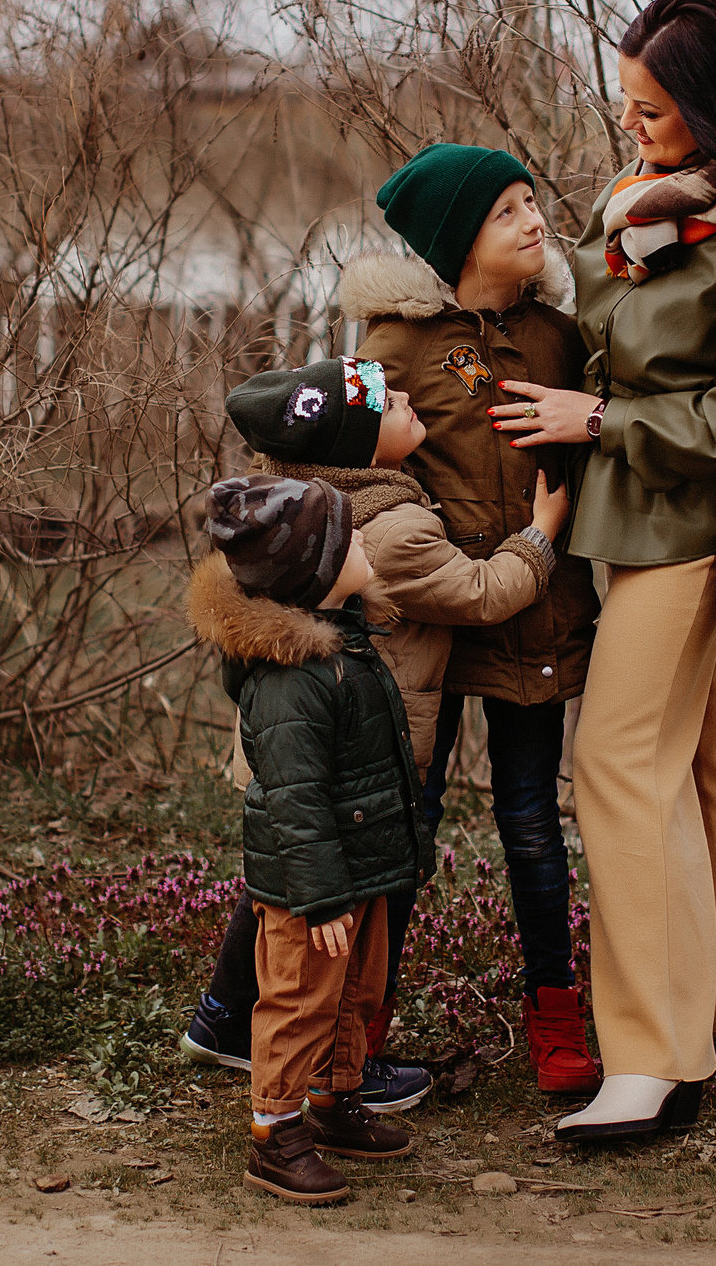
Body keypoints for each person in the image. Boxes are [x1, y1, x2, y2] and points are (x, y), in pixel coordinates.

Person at [492, 0, 716, 1142]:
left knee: (617, 757)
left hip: (705, 523)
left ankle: (654, 1059)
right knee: (706, 762)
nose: (628, 123)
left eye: (648, 107)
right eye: (625, 102)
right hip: (630, 516)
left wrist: (596, 424)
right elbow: (610, 336)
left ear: (709, 107)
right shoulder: (650, 209)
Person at [181, 348, 575, 1102]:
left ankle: (222, 1019)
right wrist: (542, 532)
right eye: (391, 405)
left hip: (290, 740)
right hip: (353, 748)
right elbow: (485, 591)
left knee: (280, 878)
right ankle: (334, 1065)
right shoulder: (388, 530)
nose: (409, 403)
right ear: (360, 451)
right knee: (345, 905)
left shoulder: (304, 505)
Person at [344, 142, 605, 1094]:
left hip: (536, 615)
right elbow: (355, 468)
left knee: (533, 821)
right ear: (460, 242)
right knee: (407, 825)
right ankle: (357, 1031)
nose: (535, 221)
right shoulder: (395, 347)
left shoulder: (560, 338)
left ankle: (556, 1017)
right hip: (428, 628)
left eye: (532, 202)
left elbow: (603, 438)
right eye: (507, 212)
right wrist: (410, 551)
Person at [194, 473, 429, 1204]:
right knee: (298, 1001)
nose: (366, 539)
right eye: (351, 537)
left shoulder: (348, 641)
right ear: (318, 575)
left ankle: (333, 1099)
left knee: (354, 992)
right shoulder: (292, 679)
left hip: (361, 869)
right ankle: (275, 1130)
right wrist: (322, 897)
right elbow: (295, 801)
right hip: (311, 887)